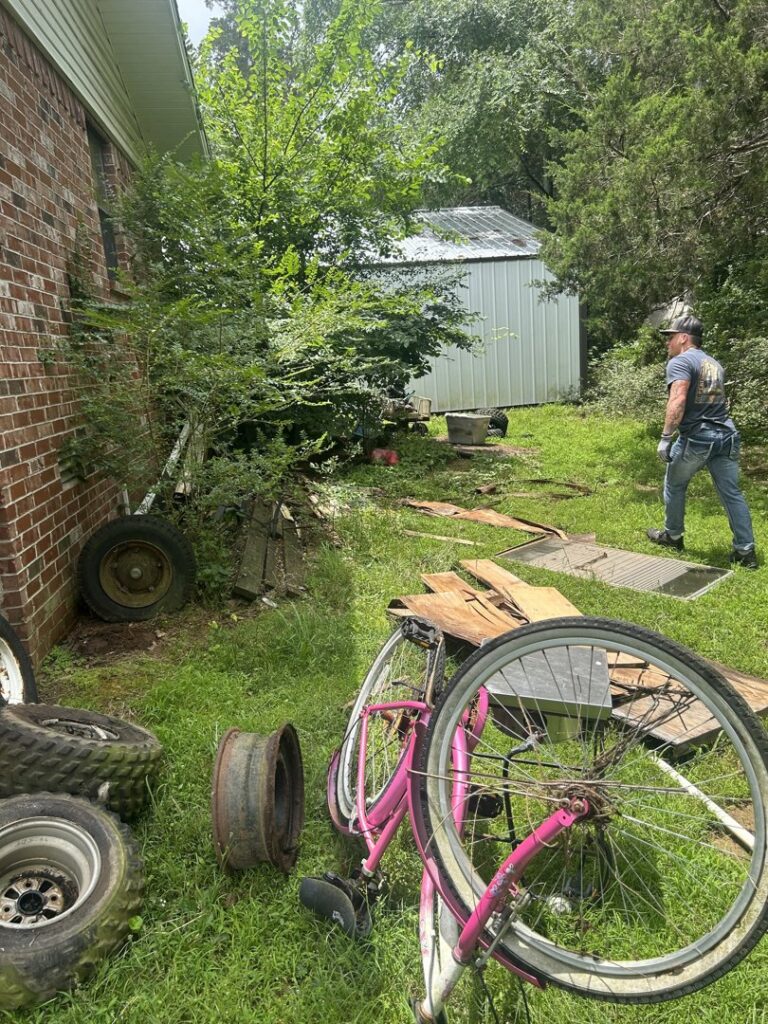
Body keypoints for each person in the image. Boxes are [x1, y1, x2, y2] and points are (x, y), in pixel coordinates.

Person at [646, 314, 758, 569]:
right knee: (731, 493)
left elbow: (678, 399)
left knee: (674, 484)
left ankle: (672, 536)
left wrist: (665, 438)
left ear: (684, 338)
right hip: (727, 436)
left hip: (698, 437)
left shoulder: (680, 361)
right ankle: (745, 550)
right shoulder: (713, 363)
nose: (668, 343)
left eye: (671, 337)